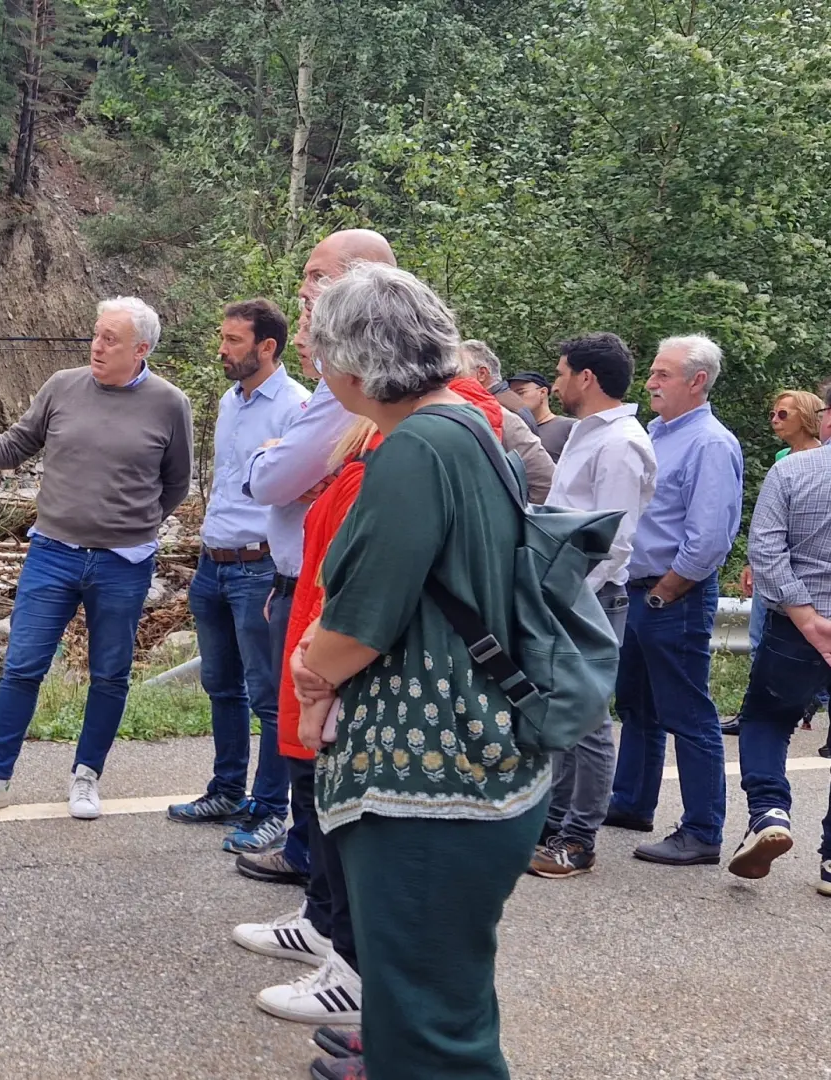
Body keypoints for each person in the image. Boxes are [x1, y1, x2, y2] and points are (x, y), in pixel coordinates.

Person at [291, 263, 548, 1080]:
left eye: (321, 350)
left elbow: (357, 623)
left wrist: (308, 669)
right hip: (482, 757)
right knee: (436, 1000)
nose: (319, 369)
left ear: (357, 364)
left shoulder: (411, 452)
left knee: (434, 1031)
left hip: (431, 782)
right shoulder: (471, 426)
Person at [0, 298, 193, 820]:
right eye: (96, 334)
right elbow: (15, 446)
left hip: (123, 564)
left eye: (110, 339)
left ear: (141, 350)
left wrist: (134, 526)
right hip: (52, 554)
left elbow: (175, 483)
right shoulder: (62, 386)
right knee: (21, 667)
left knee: (110, 674)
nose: (97, 346)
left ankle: (86, 777)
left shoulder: (170, 403)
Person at [228, 229, 403, 1054]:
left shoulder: (401, 424)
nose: (302, 295)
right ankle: (324, 930)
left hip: (325, 608)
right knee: (311, 775)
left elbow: (271, 480)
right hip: (303, 595)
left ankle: (356, 976)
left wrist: (320, 664)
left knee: (331, 779)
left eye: (316, 281)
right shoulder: (358, 409)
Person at [167, 299, 307, 848]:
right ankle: (227, 790)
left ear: (266, 347)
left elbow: (299, 491)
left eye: (232, 341)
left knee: (268, 694)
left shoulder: (295, 406)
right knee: (220, 685)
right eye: (222, 338)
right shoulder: (230, 400)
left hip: (258, 566)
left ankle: (271, 807)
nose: (221, 350)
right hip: (212, 562)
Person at [606, 335, 744, 866]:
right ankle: (631, 803)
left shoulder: (710, 442)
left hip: (672, 594)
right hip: (639, 590)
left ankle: (703, 830)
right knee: (637, 705)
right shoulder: (658, 433)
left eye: (662, 375)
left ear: (697, 380)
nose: (650, 383)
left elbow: (709, 537)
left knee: (688, 714)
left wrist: (665, 593)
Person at [728, 369, 831, 898]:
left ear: (830, 414)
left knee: (765, 720)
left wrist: (807, 617)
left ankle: (768, 812)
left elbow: (765, 551)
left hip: (797, 627)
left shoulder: (792, 472)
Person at [528, 333, 657, 879]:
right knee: (561, 710)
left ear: (587, 377)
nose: (554, 383)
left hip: (590, 596)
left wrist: (568, 594)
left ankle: (579, 840)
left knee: (589, 719)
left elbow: (615, 538)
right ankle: (551, 826)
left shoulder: (621, 443)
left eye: (560, 372)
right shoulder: (587, 433)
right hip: (566, 591)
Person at [724, 388, 828, 738]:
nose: (774, 420)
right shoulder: (782, 456)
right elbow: (771, 521)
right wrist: (754, 561)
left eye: (784, 414)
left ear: (808, 417)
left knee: (804, 644)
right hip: (772, 561)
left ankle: (809, 704)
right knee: (758, 636)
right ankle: (755, 710)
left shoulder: (825, 459)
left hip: (807, 570)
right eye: (773, 413)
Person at [462, 340, 556, 502]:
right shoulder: (505, 402)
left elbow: (542, 479)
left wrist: (519, 518)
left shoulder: (500, 408)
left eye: (457, 371)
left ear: (482, 374)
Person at [507, 370, 575, 460]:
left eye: (520, 393)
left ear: (542, 392)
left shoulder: (570, 427)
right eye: (511, 395)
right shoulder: (514, 431)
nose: (514, 399)